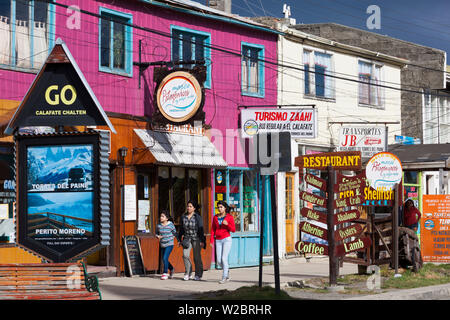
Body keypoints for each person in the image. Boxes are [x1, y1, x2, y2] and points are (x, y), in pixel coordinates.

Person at [177, 200, 206, 281]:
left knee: (197, 257)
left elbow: (201, 230)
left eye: (190, 206)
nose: (188, 208)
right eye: (188, 206)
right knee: (185, 255)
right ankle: (188, 272)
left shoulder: (197, 217)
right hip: (187, 239)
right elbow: (181, 229)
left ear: (194, 208)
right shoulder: (183, 217)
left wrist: (202, 241)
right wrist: (179, 240)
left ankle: (198, 274)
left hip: (196, 238)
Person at [210, 201, 235, 284]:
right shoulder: (215, 217)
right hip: (218, 240)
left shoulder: (229, 217)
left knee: (224, 258)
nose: (219, 209)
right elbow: (213, 229)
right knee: (219, 261)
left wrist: (227, 224)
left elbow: (233, 230)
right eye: (218, 207)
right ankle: (226, 270)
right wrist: (211, 240)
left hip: (226, 239)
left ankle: (224, 277)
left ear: (225, 208)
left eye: (221, 207)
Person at [156, 211, 177, 280]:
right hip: (162, 244)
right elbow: (156, 233)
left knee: (165, 258)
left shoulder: (171, 225)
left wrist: (177, 240)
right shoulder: (158, 225)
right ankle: (171, 268)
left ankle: (165, 273)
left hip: (169, 244)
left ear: (167, 218)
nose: (161, 218)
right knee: (164, 259)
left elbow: (175, 233)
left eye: (163, 216)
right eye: (160, 216)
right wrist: (158, 236)